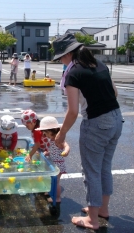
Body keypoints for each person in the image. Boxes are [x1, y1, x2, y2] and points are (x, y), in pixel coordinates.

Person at [53, 33, 122, 230]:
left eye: (61, 58)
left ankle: (92, 219)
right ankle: (102, 209)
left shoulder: (73, 73)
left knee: (91, 170)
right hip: (116, 118)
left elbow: (73, 111)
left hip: (97, 123)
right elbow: (115, 93)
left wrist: (62, 133)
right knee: (104, 167)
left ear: (67, 54)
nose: (61, 62)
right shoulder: (99, 64)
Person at [36, 116, 70, 203]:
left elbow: (66, 146)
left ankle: (57, 198)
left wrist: (66, 151)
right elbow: (55, 150)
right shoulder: (52, 138)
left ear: (53, 130)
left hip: (58, 165)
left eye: (46, 133)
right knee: (51, 179)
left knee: (56, 182)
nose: (45, 135)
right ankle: (49, 191)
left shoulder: (59, 139)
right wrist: (48, 153)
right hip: (53, 163)